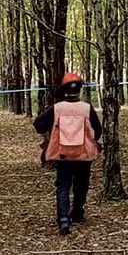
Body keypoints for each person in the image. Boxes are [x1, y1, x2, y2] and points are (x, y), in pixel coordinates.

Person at [33, 72, 102, 235]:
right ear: (80, 89)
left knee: (63, 185)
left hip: (62, 155)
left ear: (63, 90)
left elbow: (38, 125)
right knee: (81, 185)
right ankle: (77, 213)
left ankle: (63, 219)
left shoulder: (57, 108)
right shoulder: (86, 108)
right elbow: (98, 130)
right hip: (83, 155)